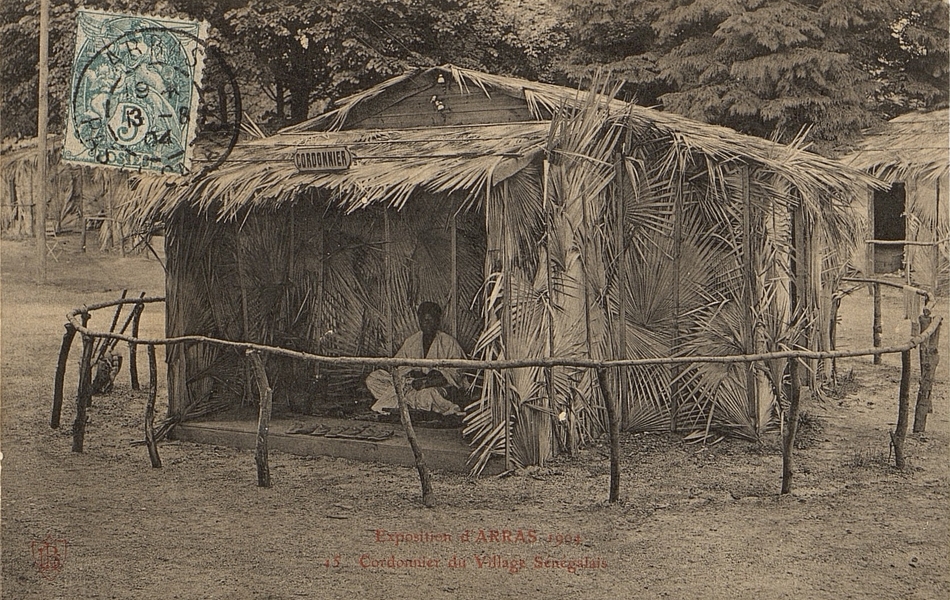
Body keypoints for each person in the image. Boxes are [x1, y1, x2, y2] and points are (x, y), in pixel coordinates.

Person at [365, 302, 466, 416]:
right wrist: (411, 372)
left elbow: (457, 372)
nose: (426, 324)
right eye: (423, 320)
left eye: (430, 320)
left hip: (433, 386)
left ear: (437, 321)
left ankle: (405, 403)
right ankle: (411, 403)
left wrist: (432, 379)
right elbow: (398, 364)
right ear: (419, 321)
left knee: (429, 395)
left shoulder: (448, 342)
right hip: (411, 384)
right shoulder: (412, 341)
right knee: (373, 379)